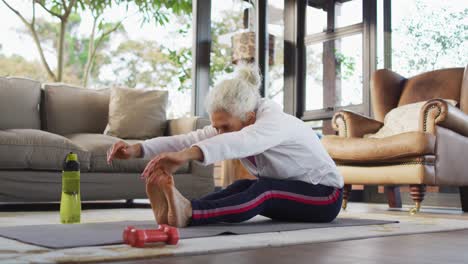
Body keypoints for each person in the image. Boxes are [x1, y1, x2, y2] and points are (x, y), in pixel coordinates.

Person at [107, 64, 344, 227]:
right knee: (241, 185)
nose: (219, 133)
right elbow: (188, 139)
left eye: (225, 127)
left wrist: (184, 156)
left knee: (265, 190)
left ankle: (191, 214)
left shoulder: (274, 123)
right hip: (292, 193)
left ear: (249, 118)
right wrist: (137, 149)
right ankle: (181, 209)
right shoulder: (235, 124)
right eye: (216, 127)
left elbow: (239, 141)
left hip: (324, 197)